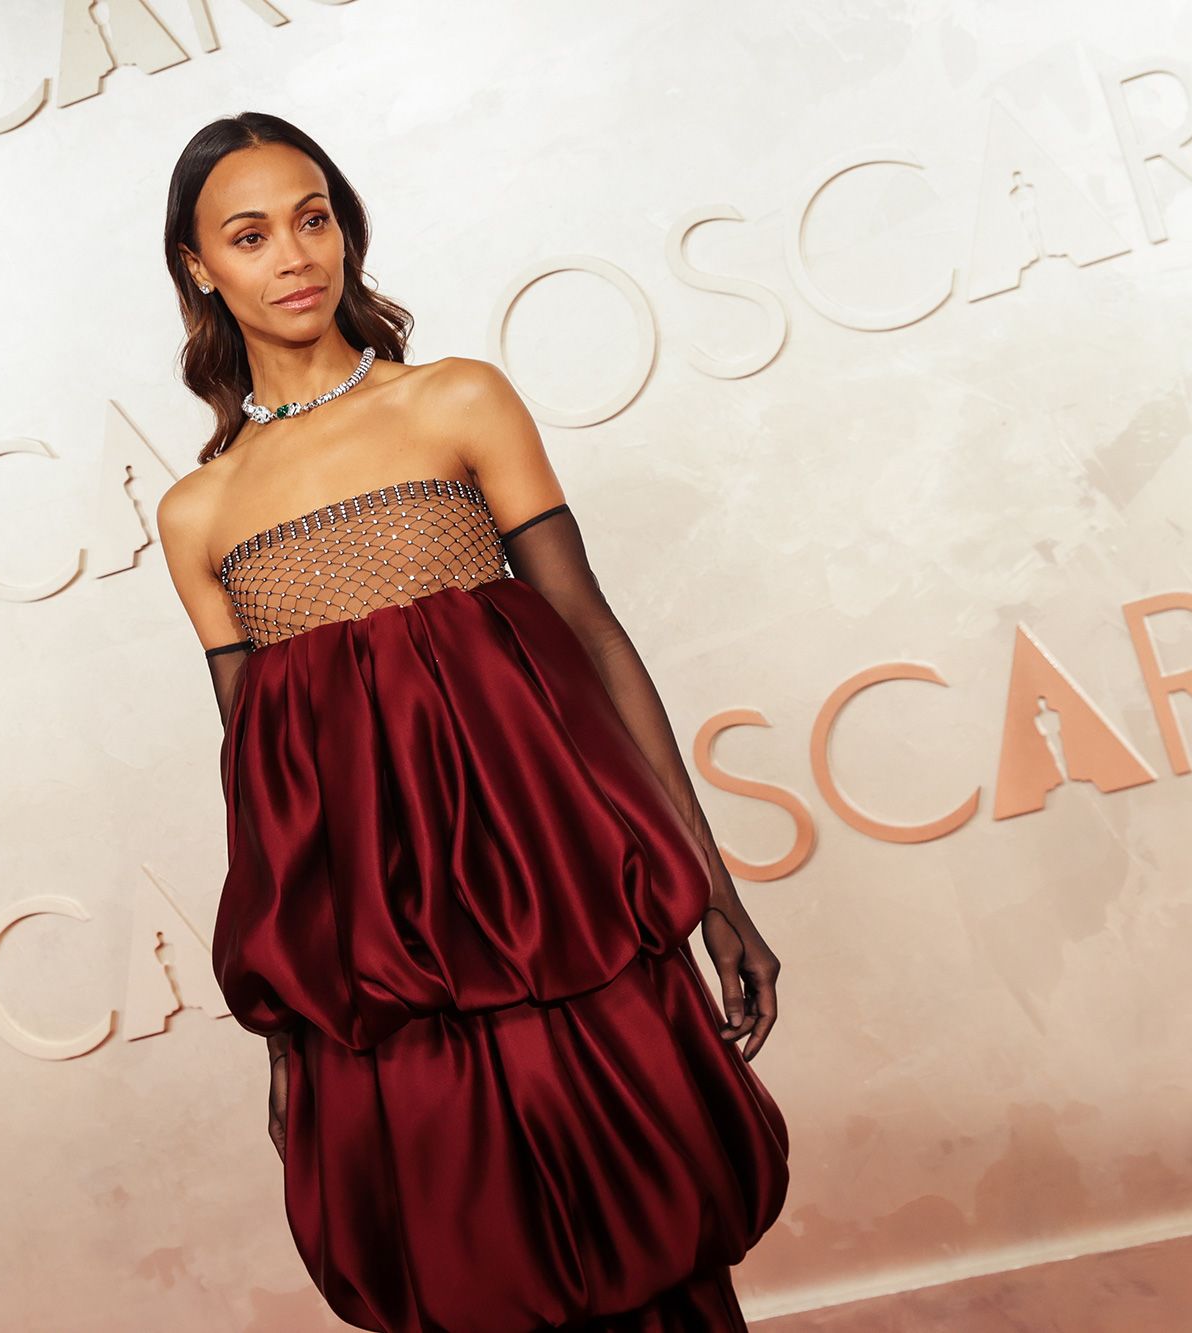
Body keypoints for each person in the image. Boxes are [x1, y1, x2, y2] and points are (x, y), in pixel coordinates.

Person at [157, 112, 790, 1333]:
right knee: (474, 1277)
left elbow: (594, 639)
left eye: (313, 217)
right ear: (199, 267)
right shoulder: (199, 513)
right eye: (249, 234)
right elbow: (263, 799)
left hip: (556, 916)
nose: (294, 255)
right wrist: (287, 1036)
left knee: (651, 1247)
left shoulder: (455, 401)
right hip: (387, 979)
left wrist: (713, 894)